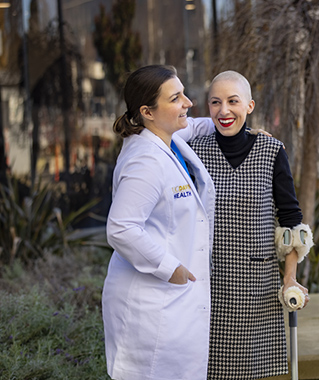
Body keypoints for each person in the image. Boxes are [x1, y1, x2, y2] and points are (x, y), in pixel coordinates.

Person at [179, 70, 313, 380]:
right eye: (215, 102)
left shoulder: (271, 151)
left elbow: (291, 221)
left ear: (249, 106)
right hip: (210, 287)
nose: (224, 111)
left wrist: (289, 278)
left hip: (257, 289)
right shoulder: (195, 152)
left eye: (232, 101)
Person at [102, 65, 216, 380]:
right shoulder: (145, 160)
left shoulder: (167, 137)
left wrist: (239, 126)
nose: (188, 103)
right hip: (151, 305)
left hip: (173, 306)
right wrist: (171, 268)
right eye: (176, 98)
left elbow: (195, 125)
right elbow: (121, 228)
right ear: (147, 112)